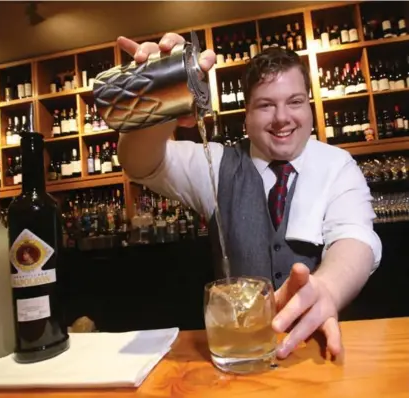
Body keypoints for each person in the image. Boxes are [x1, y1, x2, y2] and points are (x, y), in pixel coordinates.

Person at [116, 33, 382, 360]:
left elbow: (355, 239)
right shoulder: (215, 164)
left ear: (309, 106)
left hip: (317, 349)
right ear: (247, 116)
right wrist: (161, 97)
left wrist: (327, 288)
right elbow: (139, 163)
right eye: (266, 105)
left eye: (295, 101)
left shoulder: (337, 164)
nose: (282, 117)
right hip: (242, 354)